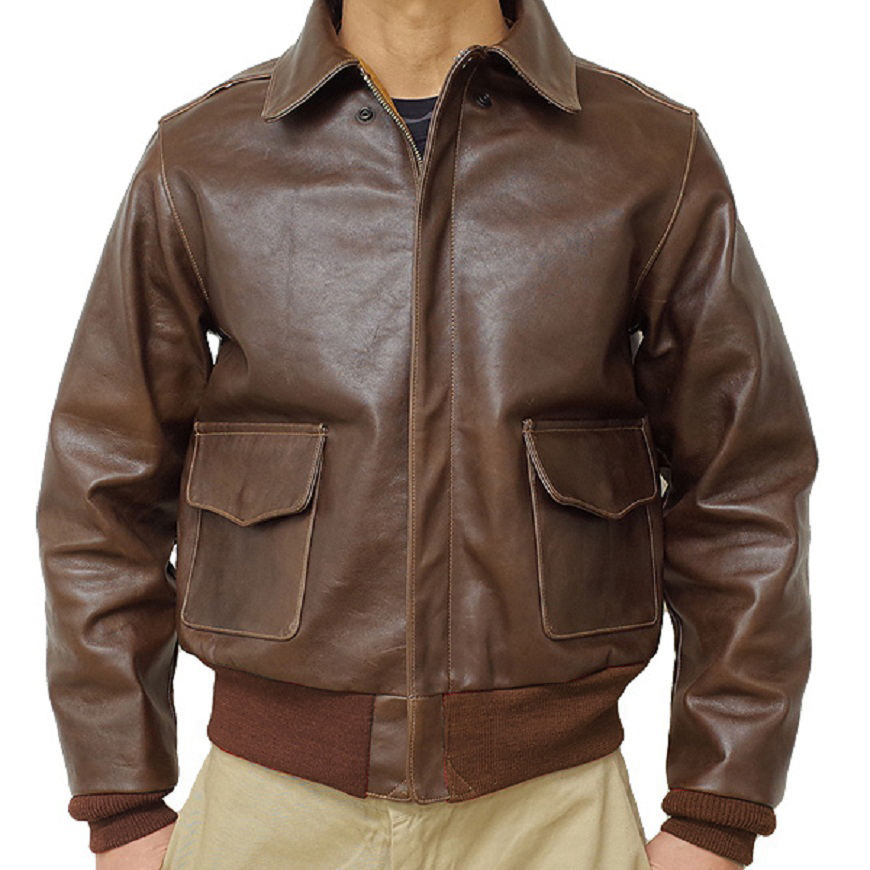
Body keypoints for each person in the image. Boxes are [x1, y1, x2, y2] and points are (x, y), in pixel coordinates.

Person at [35, 0, 818, 868]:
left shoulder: (649, 153)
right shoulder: (202, 157)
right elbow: (101, 487)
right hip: (268, 807)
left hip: (552, 813)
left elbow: (745, 483)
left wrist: (717, 811)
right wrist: (122, 802)